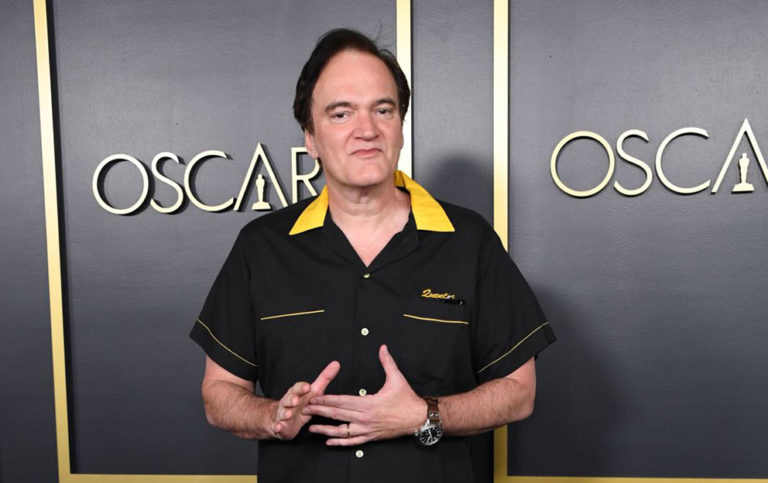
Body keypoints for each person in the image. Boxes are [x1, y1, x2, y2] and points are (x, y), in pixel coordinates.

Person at [190, 28, 555, 482]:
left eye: (383, 110)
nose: (367, 130)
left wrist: (423, 415)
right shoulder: (261, 247)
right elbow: (219, 393)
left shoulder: (468, 240)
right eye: (341, 114)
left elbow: (518, 393)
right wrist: (271, 416)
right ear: (310, 136)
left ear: (401, 126)